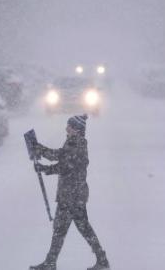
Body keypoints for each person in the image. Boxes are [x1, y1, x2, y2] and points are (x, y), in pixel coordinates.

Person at [31, 114, 110, 270]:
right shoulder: (73, 142)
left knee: (63, 229)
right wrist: (40, 149)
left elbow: (65, 167)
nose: (66, 128)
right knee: (78, 228)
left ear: (77, 129)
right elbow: (60, 155)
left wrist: (45, 168)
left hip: (71, 196)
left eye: (70, 126)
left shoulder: (77, 144)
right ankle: (101, 260)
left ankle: (51, 263)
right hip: (73, 195)